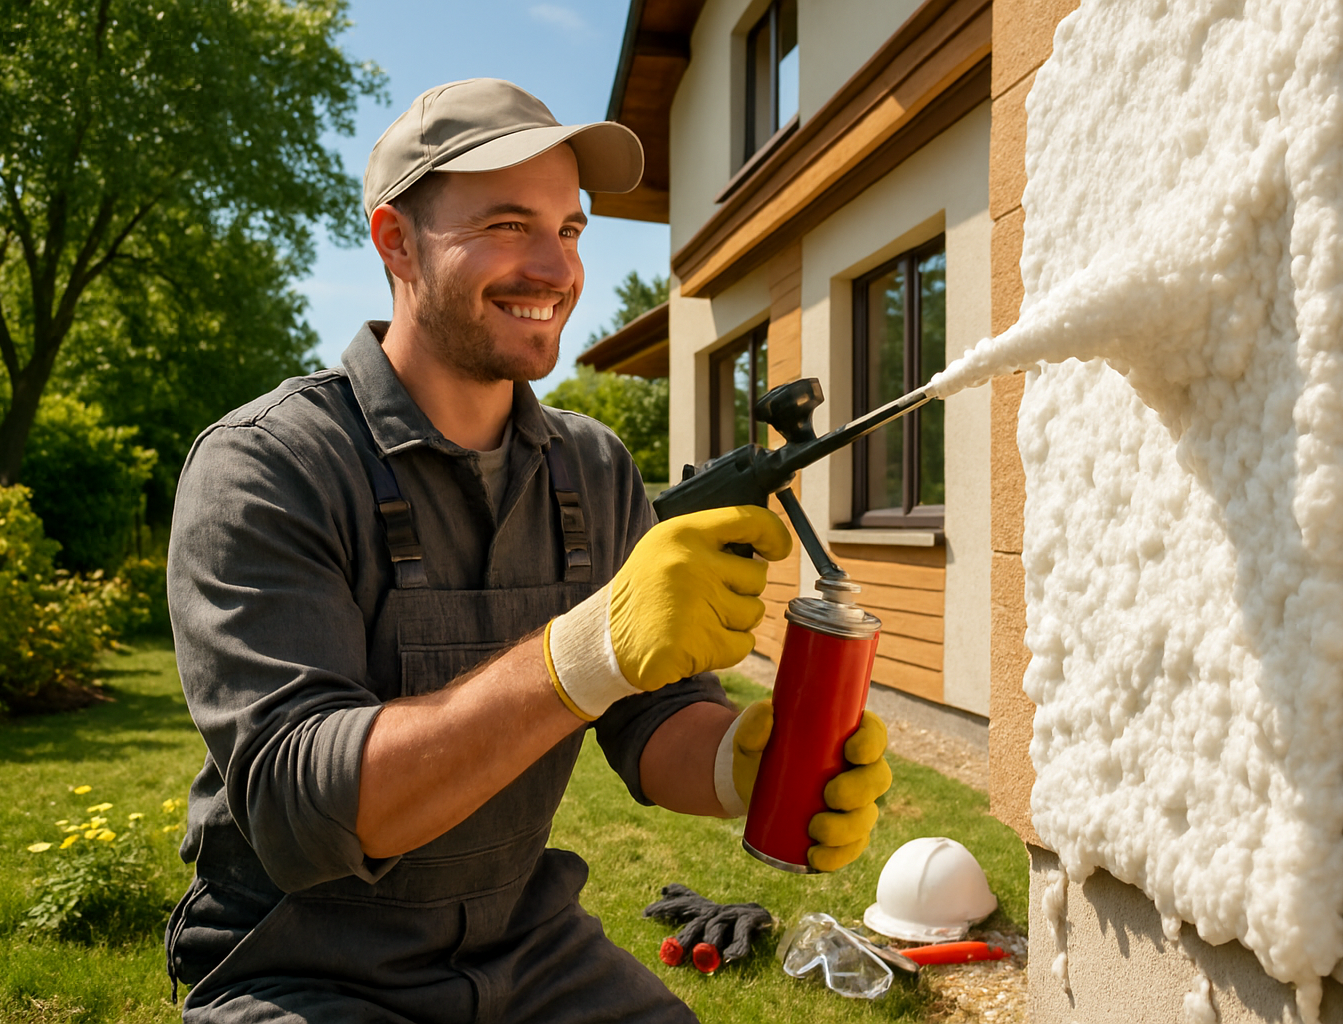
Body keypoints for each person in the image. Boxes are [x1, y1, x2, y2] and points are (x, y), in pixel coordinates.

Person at [162, 78, 892, 1022]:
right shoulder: (267, 465)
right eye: (507, 224)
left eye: (572, 230)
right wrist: (583, 652)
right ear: (396, 243)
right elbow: (306, 813)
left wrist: (741, 766)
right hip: (306, 970)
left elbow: (650, 717)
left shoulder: (591, 466)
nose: (554, 268)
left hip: (531, 948)